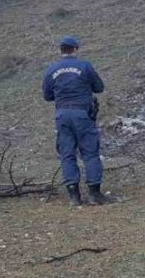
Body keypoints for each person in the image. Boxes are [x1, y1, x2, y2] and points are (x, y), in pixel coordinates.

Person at [42, 35, 111, 207]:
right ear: (75, 49)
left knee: (67, 154)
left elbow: (47, 96)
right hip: (82, 114)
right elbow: (99, 88)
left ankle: (74, 196)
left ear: (61, 50)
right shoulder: (85, 66)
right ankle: (94, 194)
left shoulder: (51, 69)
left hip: (62, 116)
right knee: (90, 153)